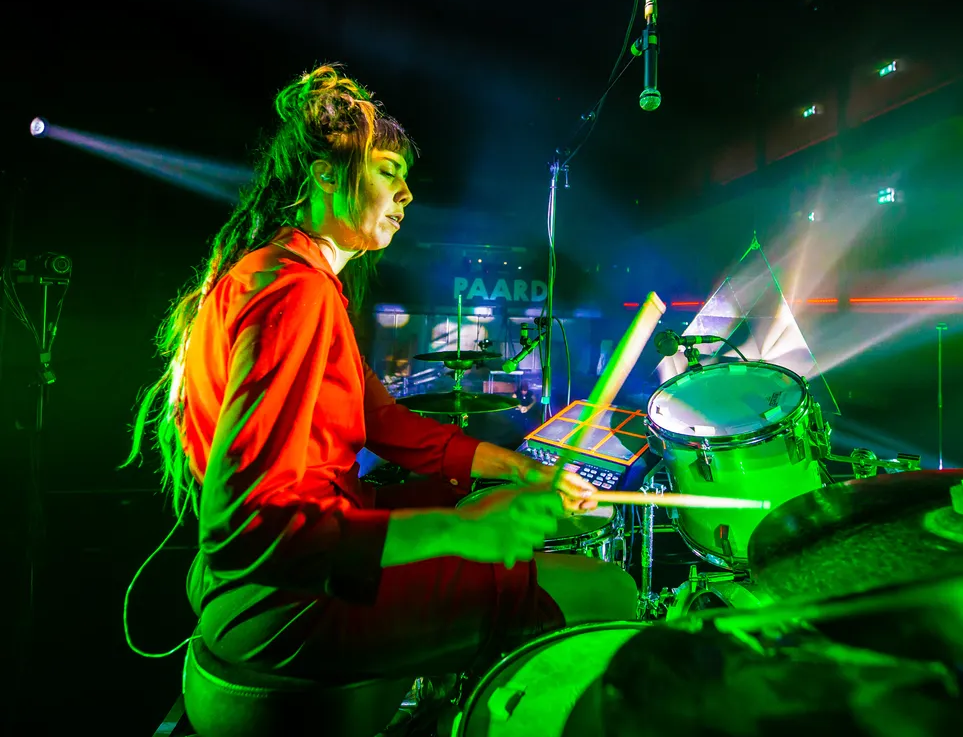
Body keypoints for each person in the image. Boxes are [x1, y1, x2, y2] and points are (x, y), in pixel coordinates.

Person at [123, 64, 638, 682]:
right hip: (290, 601)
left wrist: (520, 469)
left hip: (295, 573)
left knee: (478, 502)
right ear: (325, 175)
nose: (407, 194)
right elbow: (244, 528)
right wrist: (460, 530)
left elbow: (383, 421)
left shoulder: (293, 278)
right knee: (606, 590)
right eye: (388, 171)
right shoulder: (294, 292)